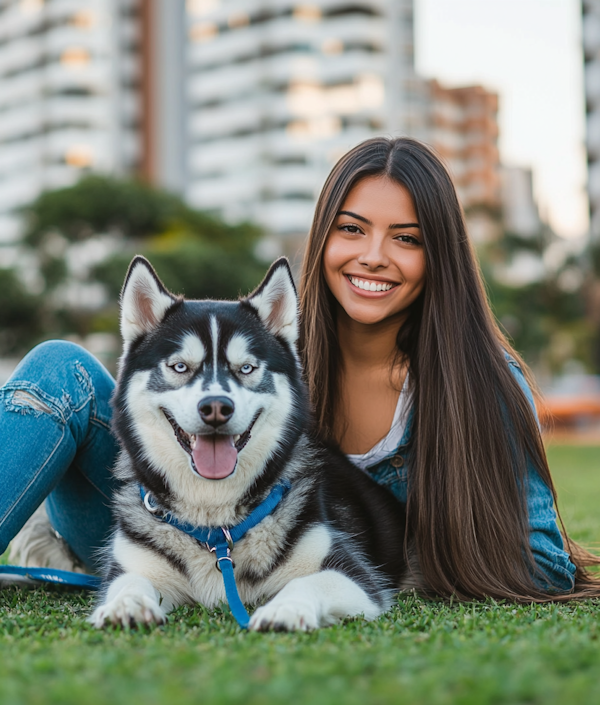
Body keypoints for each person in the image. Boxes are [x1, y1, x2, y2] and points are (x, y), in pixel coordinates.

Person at [0, 136, 598, 600]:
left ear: (439, 253)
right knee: (63, 370)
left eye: (406, 238)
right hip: (152, 535)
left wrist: (395, 546)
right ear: (323, 237)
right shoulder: (269, 348)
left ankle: (59, 553)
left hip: (286, 562)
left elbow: (544, 564)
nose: (373, 256)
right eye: (352, 229)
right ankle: (58, 543)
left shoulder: (479, 383)